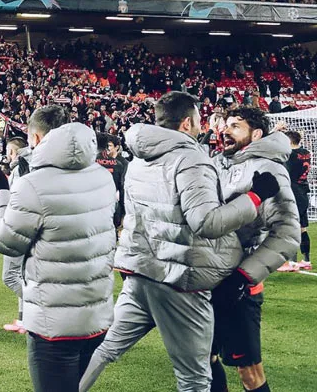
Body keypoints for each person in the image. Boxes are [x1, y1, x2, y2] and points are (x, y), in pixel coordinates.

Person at [79, 91, 281, 392]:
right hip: (179, 279)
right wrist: (253, 197)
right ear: (187, 123)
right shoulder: (191, 159)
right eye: (200, 120)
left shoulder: (137, 159)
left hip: (140, 272)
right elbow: (206, 222)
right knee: (195, 378)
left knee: (104, 349)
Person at [0, 105, 117, 392]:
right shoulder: (102, 176)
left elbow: (5, 242)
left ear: (35, 138)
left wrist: (1, 193)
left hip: (53, 325)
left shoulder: (33, 185)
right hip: (97, 317)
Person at [210, 107, 300, 392]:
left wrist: (242, 278)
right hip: (209, 280)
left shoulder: (269, 168)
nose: (225, 130)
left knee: (249, 373)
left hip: (239, 288)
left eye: (235, 126)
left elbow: (287, 233)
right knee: (202, 360)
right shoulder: (219, 164)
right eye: (226, 125)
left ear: (256, 134)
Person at [1, 136, 30, 334]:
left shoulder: (21, 167)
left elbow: (19, 199)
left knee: (10, 276)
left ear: (14, 152)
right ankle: (23, 320)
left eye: (8, 151)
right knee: (21, 275)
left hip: (19, 227)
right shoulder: (24, 166)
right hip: (26, 225)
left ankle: (40, 306)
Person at [282, 130, 312, 271]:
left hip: (293, 193)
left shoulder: (290, 156)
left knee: (290, 227)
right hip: (303, 192)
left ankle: (292, 262)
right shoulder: (306, 152)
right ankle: (306, 260)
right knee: (302, 228)